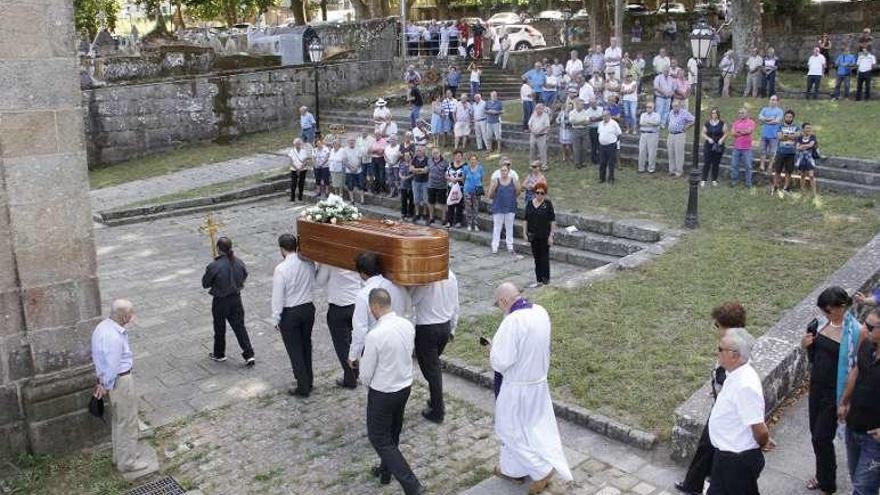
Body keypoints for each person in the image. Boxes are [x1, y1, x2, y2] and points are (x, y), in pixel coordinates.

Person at [489, 282, 573, 494]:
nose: (501, 309)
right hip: (537, 383)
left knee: (508, 429)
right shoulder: (540, 311)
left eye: (499, 304)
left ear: (505, 300)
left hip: (517, 386)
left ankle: (541, 469)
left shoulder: (513, 321)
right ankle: (512, 469)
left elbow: (501, 361)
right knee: (528, 428)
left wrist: (491, 349)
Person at [675, 303, 748, 495]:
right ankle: (694, 484)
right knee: (707, 445)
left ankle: (699, 485)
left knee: (711, 445)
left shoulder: (734, 346)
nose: (716, 329)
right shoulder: (739, 340)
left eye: (717, 325)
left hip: (727, 408)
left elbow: (730, 377)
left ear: (726, 326)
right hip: (724, 405)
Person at [801, 287, 866, 494]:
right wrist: (806, 345)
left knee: (822, 436)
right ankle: (823, 476)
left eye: (829, 310)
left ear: (842, 307)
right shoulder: (820, 324)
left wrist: (847, 401)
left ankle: (827, 483)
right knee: (815, 434)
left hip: (835, 392)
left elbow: (858, 367)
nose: (825, 314)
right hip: (817, 388)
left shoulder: (855, 331)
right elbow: (815, 357)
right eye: (823, 310)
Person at [360, 288, 425, 495]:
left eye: (371, 308)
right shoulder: (407, 325)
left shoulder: (375, 335)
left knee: (379, 437)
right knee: (393, 432)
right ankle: (385, 471)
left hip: (383, 391)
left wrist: (366, 384)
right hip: (404, 386)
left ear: (375, 307)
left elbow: (366, 371)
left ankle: (412, 485)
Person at [91, 299, 159, 480]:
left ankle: (120, 456)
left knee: (119, 420)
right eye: (130, 313)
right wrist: (105, 385)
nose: (132, 316)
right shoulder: (114, 337)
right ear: (123, 316)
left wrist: (101, 382)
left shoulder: (103, 327)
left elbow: (100, 360)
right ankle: (128, 462)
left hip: (111, 380)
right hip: (120, 381)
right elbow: (112, 365)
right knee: (127, 421)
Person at [707, 327, 775, 495]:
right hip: (725, 456)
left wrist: (764, 441)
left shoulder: (745, 386)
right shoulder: (735, 374)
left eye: (720, 349)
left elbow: (759, 429)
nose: (717, 352)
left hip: (737, 462)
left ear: (734, 355)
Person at [837, 306, 880, 495]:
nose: (864, 329)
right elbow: (856, 370)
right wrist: (844, 402)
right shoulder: (867, 345)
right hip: (854, 425)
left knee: (863, 489)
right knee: (857, 479)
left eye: (871, 327)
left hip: (874, 437)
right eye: (865, 323)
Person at [411, 270, 460, 423]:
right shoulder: (450, 275)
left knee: (432, 371)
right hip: (444, 327)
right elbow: (455, 304)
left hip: (426, 328)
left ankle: (438, 410)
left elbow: (412, 300)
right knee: (432, 368)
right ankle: (435, 400)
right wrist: (452, 327)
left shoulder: (425, 279)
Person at [271, 234, 316, 397]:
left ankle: (303, 385)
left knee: (295, 350)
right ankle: (309, 380)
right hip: (307, 308)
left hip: (290, 312)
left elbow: (278, 296)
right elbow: (313, 280)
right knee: (306, 345)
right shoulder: (308, 262)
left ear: (282, 249)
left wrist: (276, 317)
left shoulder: (281, 269)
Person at [348, 252, 411, 367]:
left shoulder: (363, 295)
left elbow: (360, 329)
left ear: (362, 273)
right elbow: (408, 310)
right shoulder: (397, 286)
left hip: (376, 345)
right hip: (399, 340)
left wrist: (353, 355)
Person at [202, 236, 256, 365]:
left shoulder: (214, 266)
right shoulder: (239, 262)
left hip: (220, 301)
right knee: (240, 327)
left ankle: (219, 353)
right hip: (236, 298)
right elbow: (244, 275)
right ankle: (249, 354)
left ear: (218, 249)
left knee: (219, 328)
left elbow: (205, 283)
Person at [316, 264, 362, 389]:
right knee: (355, 342)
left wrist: (321, 265)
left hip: (338, 307)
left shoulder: (330, 260)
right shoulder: (355, 254)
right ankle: (356, 372)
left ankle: (350, 378)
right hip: (355, 305)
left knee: (342, 346)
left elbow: (319, 281)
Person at [524, 183, 555, 288]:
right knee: (536, 258)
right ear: (534, 193)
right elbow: (526, 219)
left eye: (542, 193)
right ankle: (539, 280)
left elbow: (552, 221)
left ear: (545, 194)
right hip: (533, 235)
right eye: (537, 192)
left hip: (544, 235)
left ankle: (546, 279)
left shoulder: (548, 204)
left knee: (544, 258)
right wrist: (524, 232)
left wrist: (551, 235)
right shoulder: (529, 204)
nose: (539, 195)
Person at [488, 162, 519, 255]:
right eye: (502, 171)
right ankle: (494, 247)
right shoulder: (496, 181)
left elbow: (518, 191)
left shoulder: (513, 180)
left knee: (509, 228)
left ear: (508, 171)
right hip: (498, 207)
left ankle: (510, 246)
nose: (503, 172)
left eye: (505, 170)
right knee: (497, 228)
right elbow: (490, 194)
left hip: (510, 207)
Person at [772, 110, 799, 195]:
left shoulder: (796, 127)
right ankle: (775, 186)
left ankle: (786, 188)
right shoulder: (780, 126)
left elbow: (798, 135)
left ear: (793, 118)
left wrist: (786, 136)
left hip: (791, 152)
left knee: (789, 171)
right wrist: (791, 136)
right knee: (777, 171)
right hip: (780, 152)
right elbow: (780, 137)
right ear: (784, 117)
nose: (788, 118)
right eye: (787, 117)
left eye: (790, 117)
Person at [666, 100, 695, 177]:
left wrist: (688, 126)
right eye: (673, 106)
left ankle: (679, 171)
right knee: (671, 152)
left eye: (676, 106)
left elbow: (694, 120)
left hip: (679, 135)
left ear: (680, 106)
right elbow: (669, 121)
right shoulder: (671, 112)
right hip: (671, 135)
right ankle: (672, 170)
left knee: (679, 153)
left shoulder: (684, 113)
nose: (674, 108)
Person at [700, 107, 727, 187]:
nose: (714, 114)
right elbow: (703, 133)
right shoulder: (707, 123)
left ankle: (714, 179)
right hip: (709, 145)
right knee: (706, 162)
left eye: (715, 113)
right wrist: (708, 138)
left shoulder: (722, 123)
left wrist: (722, 139)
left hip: (718, 145)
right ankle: (703, 179)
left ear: (718, 114)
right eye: (712, 113)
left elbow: (726, 133)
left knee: (716, 163)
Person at [757, 95, 783, 173]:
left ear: (777, 102)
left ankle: (770, 166)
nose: (772, 101)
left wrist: (765, 121)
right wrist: (769, 119)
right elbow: (760, 117)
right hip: (764, 133)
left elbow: (777, 121)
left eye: (774, 100)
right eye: (771, 99)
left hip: (774, 135)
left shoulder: (779, 111)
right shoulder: (764, 109)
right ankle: (762, 166)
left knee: (772, 152)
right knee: (762, 150)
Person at [730, 108, 756, 188]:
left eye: (743, 113)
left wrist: (738, 132)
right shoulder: (736, 122)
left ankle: (748, 183)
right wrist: (743, 132)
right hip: (736, 147)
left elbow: (749, 131)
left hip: (747, 148)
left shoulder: (751, 122)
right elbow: (732, 133)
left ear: (747, 113)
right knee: (734, 165)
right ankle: (734, 181)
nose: (741, 114)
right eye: (739, 113)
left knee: (748, 166)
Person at [597, 109, 622, 183]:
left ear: (609, 116)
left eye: (606, 115)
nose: (604, 117)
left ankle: (611, 178)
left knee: (611, 163)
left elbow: (619, 134)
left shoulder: (614, 123)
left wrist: (614, 143)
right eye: (603, 115)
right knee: (602, 163)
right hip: (602, 146)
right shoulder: (600, 123)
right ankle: (602, 178)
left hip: (611, 146)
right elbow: (599, 133)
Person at [463, 153, 485, 231]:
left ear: (477, 161)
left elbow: (481, 179)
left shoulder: (480, 168)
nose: (473, 161)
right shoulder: (465, 168)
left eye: (474, 159)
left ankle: (475, 224)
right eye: (471, 160)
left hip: (477, 191)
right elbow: (464, 178)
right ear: (469, 161)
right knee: (468, 208)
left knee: (476, 207)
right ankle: (469, 224)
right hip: (467, 190)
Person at [638, 101, 661, 174]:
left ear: (653, 108)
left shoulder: (657, 115)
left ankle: (651, 169)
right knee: (641, 151)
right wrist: (651, 122)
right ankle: (641, 168)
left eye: (650, 107)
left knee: (652, 152)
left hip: (653, 134)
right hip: (643, 134)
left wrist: (647, 122)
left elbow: (657, 123)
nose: (648, 109)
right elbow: (641, 123)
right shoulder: (643, 115)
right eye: (647, 107)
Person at [796, 122, 819, 195]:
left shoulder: (813, 137)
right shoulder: (799, 138)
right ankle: (802, 191)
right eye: (807, 128)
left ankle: (814, 192)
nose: (809, 129)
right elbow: (797, 147)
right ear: (803, 129)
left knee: (811, 175)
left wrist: (802, 146)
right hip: (801, 158)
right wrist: (805, 146)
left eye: (809, 128)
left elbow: (811, 145)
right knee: (802, 175)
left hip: (810, 158)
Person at [445, 150, 466, 228]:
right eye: (456, 156)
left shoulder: (465, 166)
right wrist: (451, 178)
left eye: (459, 156)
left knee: (459, 205)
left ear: (462, 157)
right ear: (454, 156)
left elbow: (466, 176)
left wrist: (458, 179)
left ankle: (458, 222)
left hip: (460, 188)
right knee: (450, 204)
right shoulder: (450, 165)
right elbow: (446, 175)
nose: (458, 157)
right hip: (451, 187)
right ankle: (449, 222)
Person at [427, 148, 448, 226]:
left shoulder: (445, 162)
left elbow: (448, 172)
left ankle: (444, 219)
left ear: (440, 153)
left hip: (441, 186)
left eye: (436, 153)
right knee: (430, 202)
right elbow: (428, 169)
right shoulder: (429, 161)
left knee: (443, 203)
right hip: (431, 185)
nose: (435, 154)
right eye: (433, 153)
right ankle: (431, 218)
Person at [569, 97, 590, 169]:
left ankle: (583, 162)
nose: (582, 106)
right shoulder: (572, 112)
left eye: (583, 105)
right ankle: (577, 162)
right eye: (581, 105)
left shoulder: (586, 112)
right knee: (576, 148)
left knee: (584, 147)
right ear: (577, 105)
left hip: (585, 130)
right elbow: (572, 122)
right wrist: (581, 122)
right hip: (576, 131)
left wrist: (577, 122)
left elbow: (587, 122)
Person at [288, 138, 312, 202]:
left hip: (303, 169)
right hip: (294, 169)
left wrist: (300, 168)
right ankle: (292, 198)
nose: (298, 145)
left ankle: (300, 198)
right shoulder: (291, 151)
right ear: (294, 144)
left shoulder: (304, 151)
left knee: (301, 184)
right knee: (293, 184)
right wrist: (296, 168)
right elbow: (290, 161)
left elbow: (306, 161)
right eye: (296, 143)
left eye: (299, 143)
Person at [343, 136, 365, 204]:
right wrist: (351, 168)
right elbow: (345, 161)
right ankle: (352, 200)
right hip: (349, 171)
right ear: (348, 142)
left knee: (361, 185)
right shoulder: (345, 150)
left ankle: (362, 200)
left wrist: (356, 168)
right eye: (350, 140)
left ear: (355, 142)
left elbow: (360, 160)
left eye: (353, 140)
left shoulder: (358, 149)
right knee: (350, 186)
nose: (351, 142)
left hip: (358, 170)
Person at [411, 146, 430, 223]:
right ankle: (417, 213)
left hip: (425, 181)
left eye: (420, 150)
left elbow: (426, 171)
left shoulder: (427, 159)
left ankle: (425, 214)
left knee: (425, 199)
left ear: (424, 151)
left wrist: (416, 170)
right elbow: (411, 169)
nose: (418, 152)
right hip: (416, 181)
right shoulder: (414, 159)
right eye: (417, 150)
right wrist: (420, 170)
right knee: (416, 199)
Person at [528, 103, 550, 168]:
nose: (539, 110)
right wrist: (532, 130)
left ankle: (544, 165)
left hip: (542, 135)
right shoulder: (533, 115)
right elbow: (529, 124)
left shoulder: (545, 116)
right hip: (533, 135)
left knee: (542, 151)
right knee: (532, 149)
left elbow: (547, 126)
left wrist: (539, 131)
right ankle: (532, 164)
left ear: (543, 109)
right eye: (537, 109)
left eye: (541, 109)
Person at [585, 97, 604, 165]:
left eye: (595, 103)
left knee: (600, 144)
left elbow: (603, 118)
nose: (594, 104)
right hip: (592, 129)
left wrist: (595, 119)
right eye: (592, 103)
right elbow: (589, 120)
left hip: (600, 129)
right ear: (590, 104)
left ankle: (600, 158)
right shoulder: (587, 111)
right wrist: (598, 118)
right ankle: (594, 159)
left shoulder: (601, 109)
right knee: (594, 145)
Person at [399, 151, 414, 220]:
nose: (406, 157)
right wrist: (401, 177)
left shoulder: (413, 164)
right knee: (403, 199)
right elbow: (399, 172)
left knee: (411, 199)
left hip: (411, 184)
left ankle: (410, 213)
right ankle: (403, 213)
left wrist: (407, 177)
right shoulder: (402, 163)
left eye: (408, 156)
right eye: (405, 156)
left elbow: (414, 173)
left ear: (411, 156)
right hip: (403, 184)